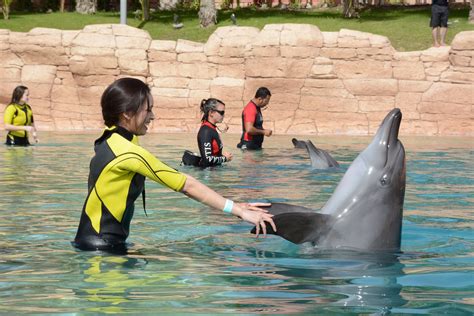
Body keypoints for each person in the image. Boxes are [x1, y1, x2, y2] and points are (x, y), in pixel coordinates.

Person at [73, 78, 276, 252]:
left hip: (94, 244)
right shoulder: (128, 153)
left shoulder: (110, 139)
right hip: (103, 249)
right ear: (127, 113)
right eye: (148, 110)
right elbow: (186, 184)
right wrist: (239, 211)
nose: (152, 116)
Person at [197, 98, 233, 168]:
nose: (223, 115)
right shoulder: (206, 131)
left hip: (214, 172)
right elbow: (207, 159)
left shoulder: (211, 128)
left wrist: (221, 156)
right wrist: (225, 158)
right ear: (211, 113)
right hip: (208, 175)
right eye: (221, 113)